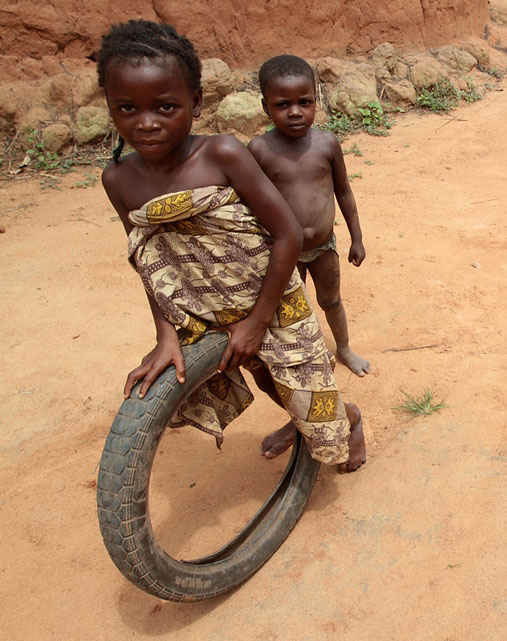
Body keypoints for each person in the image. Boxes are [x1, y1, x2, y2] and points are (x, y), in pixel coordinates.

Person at [97, 20, 366, 472]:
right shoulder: (118, 180)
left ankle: (350, 419)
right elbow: (147, 261)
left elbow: (288, 234)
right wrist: (166, 335)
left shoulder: (222, 154)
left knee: (307, 388)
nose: (146, 122)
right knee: (268, 382)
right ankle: (301, 422)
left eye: (165, 106)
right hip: (209, 307)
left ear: (196, 102)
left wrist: (259, 320)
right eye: (127, 108)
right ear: (109, 108)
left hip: (274, 299)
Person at [248, 55, 370, 381]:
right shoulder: (259, 150)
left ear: (316, 100)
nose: (295, 111)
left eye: (305, 102)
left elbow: (343, 192)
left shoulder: (326, 143)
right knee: (291, 309)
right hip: (284, 250)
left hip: (323, 245)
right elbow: (250, 202)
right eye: (282, 104)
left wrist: (357, 238)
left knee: (331, 300)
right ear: (265, 107)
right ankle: (303, 360)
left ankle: (343, 348)